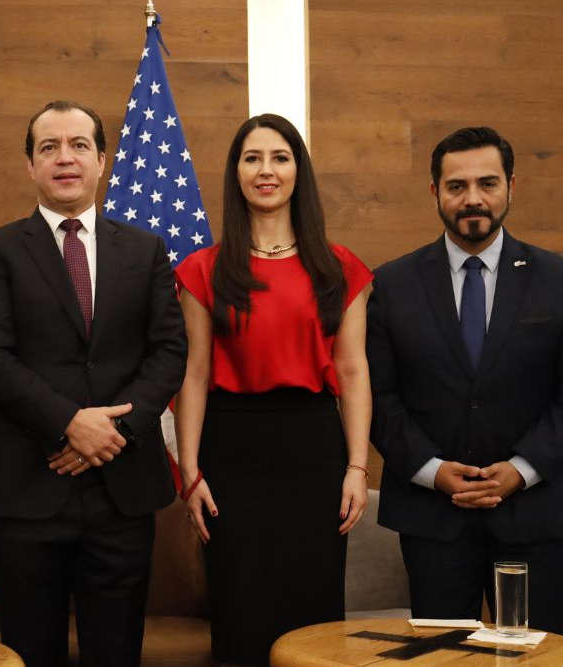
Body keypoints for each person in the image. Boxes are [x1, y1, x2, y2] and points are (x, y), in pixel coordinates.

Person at [0, 100, 187, 666]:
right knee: (30, 652)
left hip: (121, 488)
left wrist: (113, 433)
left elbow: (168, 352)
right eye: (49, 147)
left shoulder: (146, 250)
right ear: (30, 165)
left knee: (116, 652)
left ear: (102, 160)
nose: (65, 158)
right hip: (28, 488)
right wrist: (68, 423)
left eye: (79, 145)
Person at [173, 113, 373, 665]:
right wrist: (190, 473)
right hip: (231, 452)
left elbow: (353, 372)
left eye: (280, 158)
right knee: (241, 609)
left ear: (298, 171)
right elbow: (193, 375)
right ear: (235, 173)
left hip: (314, 450)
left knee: (312, 618)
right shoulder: (204, 269)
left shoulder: (338, 267)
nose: (266, 170)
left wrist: (357, 467)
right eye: (252, 158)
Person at [367, 126, 563, 633]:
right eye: (457, 186)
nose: (473, 198)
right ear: (435, 191)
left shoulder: (556, 279)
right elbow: (378, 397)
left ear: (511, 186)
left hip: (537, 514)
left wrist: (522, 468)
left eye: (487, 183)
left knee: (536, 659)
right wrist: (432, 471)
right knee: (439, 658)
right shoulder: (391, 284)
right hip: (433, 518)